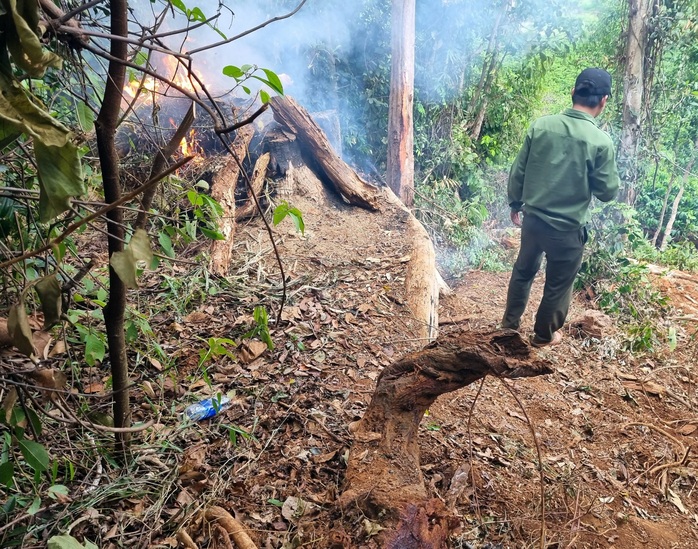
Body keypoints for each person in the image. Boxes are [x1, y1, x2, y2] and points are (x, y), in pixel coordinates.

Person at [501, 68, 620, 347]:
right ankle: (543, 336)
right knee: (558, 284)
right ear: (603, 100)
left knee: (523, 271)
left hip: (533, 221)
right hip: (567, 231)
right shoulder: (600, 142)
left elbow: (518, 171)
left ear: (573, 93)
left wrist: (515, 203)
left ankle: (508, 326)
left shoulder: (541, 125)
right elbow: (607, 192)